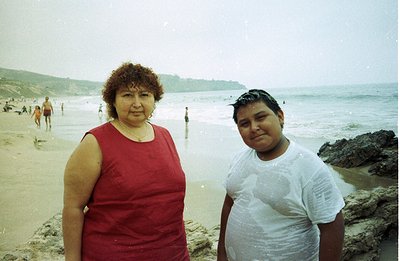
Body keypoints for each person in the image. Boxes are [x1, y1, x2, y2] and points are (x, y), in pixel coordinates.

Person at [62, 62, 190, 260]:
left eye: (144, 95)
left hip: (173, 254)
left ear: (155, 99)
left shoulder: (165, 136)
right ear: (112, 100)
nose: (137, 103)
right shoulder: (95, 143)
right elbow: (73, 208)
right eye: (127, 95)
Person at [217, 89, 345, 261]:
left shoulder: (308, 165)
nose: (254, 128)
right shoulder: (239, 158)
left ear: (280, 116)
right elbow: (229, 203)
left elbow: (332, 226)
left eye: (261, 117)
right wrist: (222, 254)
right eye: (244, 123)